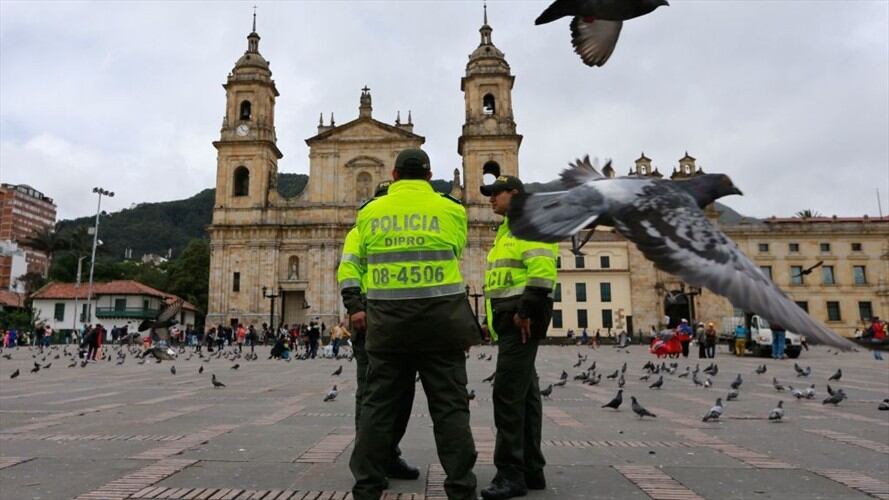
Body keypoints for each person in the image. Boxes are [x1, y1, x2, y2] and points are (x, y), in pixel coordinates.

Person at [344, 148, 479, 500]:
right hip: (442, 323)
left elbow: (363, 259)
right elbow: (455, 251)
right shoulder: (452, 209)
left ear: (394, 173)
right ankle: (461, 487)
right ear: (429, 174)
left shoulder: (370, 212)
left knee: (377, 406)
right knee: (450, 407)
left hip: (388, 325)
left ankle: (368, 486)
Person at [479, 174, 557, 500]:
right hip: (510, 318)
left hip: (520, 320)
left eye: (496, 193)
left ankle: (510, 474)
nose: (490, 199)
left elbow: (541, 272)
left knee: (507, 395)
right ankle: (532, 468)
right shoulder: (507, 228)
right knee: (525, 395)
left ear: (514, 193)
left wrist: (525, 312)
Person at [338, 183, 419, 488]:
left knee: (401, 393)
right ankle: (370, 461)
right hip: (371, 320)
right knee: (371, 393)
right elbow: (348, 271)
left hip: (401, 321)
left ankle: (388, 454)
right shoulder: (361, 229)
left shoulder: (405, 228)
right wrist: (357, 307)